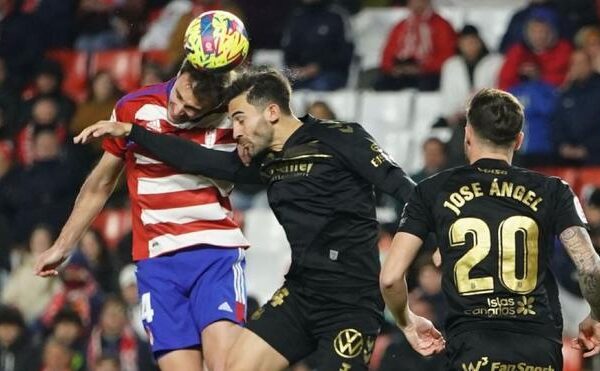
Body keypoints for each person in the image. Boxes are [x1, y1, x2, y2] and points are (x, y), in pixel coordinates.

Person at [74, 66, 416, 371]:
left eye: (239, 119)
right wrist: (132, 131)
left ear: (270, 111)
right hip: (300, 295)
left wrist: (415, 256)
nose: (234, 131)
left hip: (351, 304)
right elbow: (198, 159)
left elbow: (409, 193)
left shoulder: (341, 137)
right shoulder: (265, 163)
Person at [34, 60, 249, 371]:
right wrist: (62, 246)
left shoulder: (234, 116)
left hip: (214, 253)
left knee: (226, 365)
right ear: (179, 74)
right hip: (157, 262)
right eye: (177, 99)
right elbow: (100, 184)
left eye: (191, 110)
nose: (178, 112)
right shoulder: (134, 107)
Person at [380, 88, 600, 369]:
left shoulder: (431, 190)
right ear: (519, 140)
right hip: (537, 345)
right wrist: (596, 314)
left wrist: (406, 322)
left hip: (472, 346)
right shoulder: (554, 190)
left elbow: (390, 277)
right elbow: (591, 268)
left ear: (468, 133)